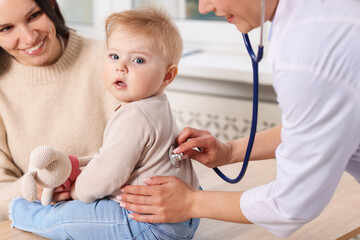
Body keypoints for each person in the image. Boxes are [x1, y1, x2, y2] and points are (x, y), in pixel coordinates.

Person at [117, 0, 360, 237]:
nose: (203, 8)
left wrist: (191, 202)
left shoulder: (310, 49)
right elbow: (312, 127)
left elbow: (292, 204)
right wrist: (230, 152)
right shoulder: (310, 18)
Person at [9, 7, 200, 240]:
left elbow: (107, 175)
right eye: (114, 56)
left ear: (167, 76)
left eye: (138, 60)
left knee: (66, 218)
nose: (121, 67)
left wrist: (77, 190)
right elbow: (114, 157)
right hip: (186, 216)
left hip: (147, 223)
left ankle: (21, 212)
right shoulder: (157, 107)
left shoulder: (135, 116)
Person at [0, 0, 118, 221]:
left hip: (114, 215)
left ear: (51, 6)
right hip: (36, 224)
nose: (29, 37)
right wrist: (33, 189)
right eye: (6, 28)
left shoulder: (111, 60)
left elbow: (148, 152)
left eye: (34, 16)